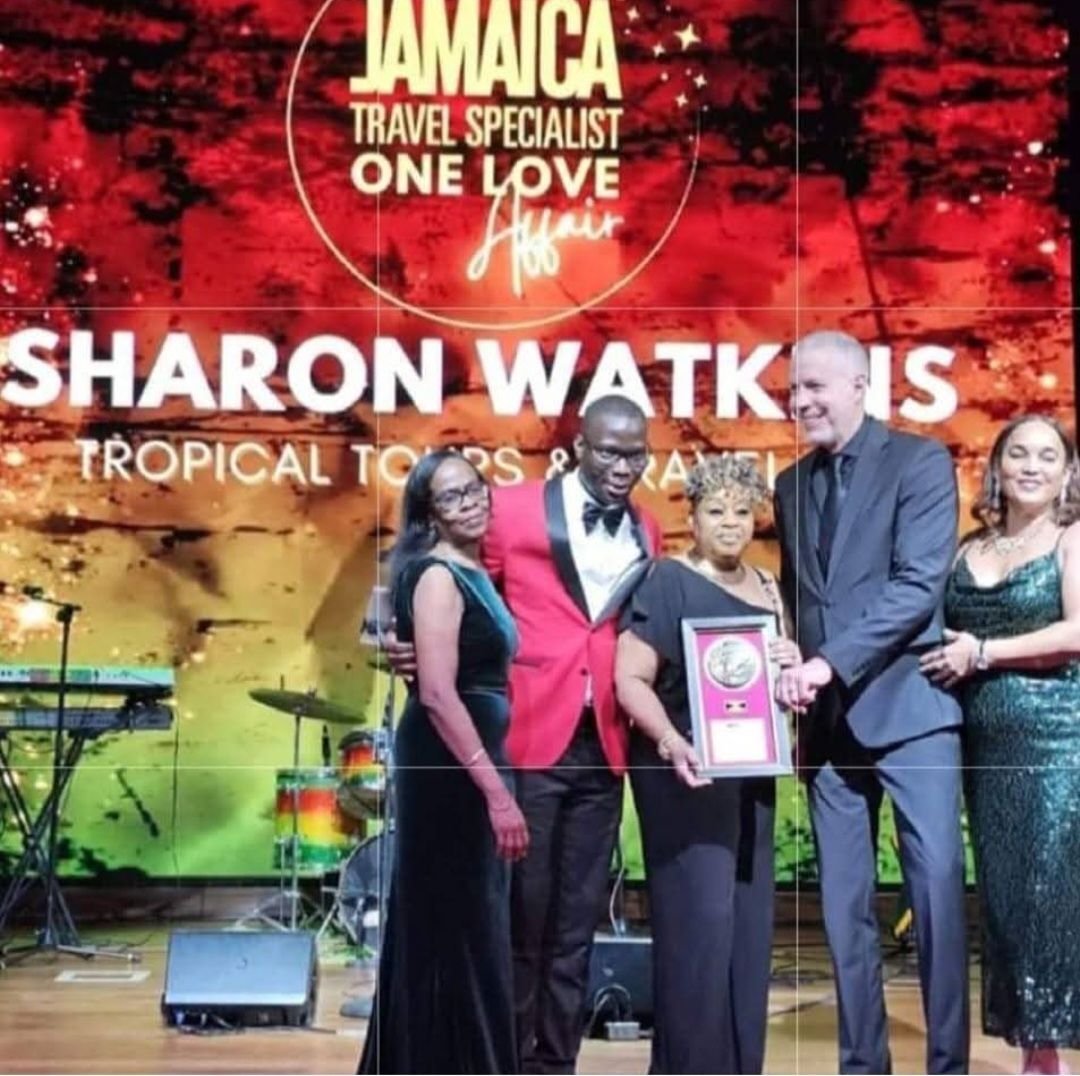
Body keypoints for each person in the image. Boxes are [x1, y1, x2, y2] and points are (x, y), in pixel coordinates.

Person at [384, 395, 661, 1074]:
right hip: (528, 734)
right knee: (521, 920)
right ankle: (503, 1060)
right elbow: (452, 589)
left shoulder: (648, 528)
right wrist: (399, 640)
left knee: (576, 925)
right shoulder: (507, 509)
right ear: (579, 447)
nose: (623, 467)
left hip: (605, 740)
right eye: (609, 452)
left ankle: (555, 1064)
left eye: (636, 455)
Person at [773, 330, 969, 1075]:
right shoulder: (789, 485)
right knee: (842, 911)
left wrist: (828, 662)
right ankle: (863, 1066)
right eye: (793, 389)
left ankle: (947, 1065)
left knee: (938, 897)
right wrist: (788, 651)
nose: (800, 402)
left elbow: (918, 586)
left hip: (911, 714)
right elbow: (804, 597)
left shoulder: (919, 462)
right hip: (829, 730)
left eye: (814, 387)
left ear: (860, 385)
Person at [614, 454, 799, 1074]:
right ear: (691, 517)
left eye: (742, 512)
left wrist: (788, 662)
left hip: (751, 777)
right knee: (700, 931)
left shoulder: (768, 585)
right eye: (716, 511)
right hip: (685, 776)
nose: (730, 523)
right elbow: (629, 680)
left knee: (746, 933)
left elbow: (776, 683)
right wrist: (672, 742)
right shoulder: (666, 580)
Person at [358, 449, 529, 1075]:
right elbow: (435, 693)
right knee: (456, 927)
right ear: (429, 513)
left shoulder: (473, 570)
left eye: (475, 488)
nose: (470, 502)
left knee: (466, 928)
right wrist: (497, 793)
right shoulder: (436, 575)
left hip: (471, 761)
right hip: (450, 767)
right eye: (452, 496)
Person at [920, 415, 1080, 1076]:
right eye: (1019, 453)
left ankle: (1049, 1057)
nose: (1032, 466)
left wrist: (983, 652)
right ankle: (1038, 1055)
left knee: (1052, 899)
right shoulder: (969, 548)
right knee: (1009, 904)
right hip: (986, 755)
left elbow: (1077, 632)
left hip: (1058, 747)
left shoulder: (1072, 539)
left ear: (1068, 472)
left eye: (1047, 456)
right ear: (998, 466)